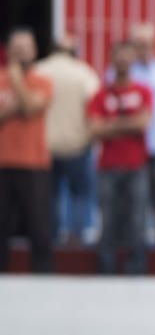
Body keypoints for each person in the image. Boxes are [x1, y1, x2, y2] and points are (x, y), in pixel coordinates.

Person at [87, 41, 152, 275]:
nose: (123, 61)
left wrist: (111, 125)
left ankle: (136, 267)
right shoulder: (100, 95)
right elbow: (94, 130)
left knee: (137, 217)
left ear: (133, 60)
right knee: (108, 218)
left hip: (137, 164)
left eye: (127, 57)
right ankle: (106, 267)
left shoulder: (143, 91)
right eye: (119, 57)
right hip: (108, 165)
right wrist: (128, 124)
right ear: (111, 60)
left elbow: (144, 123)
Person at [36, 34, 100, 246]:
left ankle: (51, 237)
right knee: (80, 195)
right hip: (77, 144)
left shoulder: (39, 71)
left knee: (49, 196)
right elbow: (95, 105)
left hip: (45, 145)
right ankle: (77, 238)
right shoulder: (84, 73)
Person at [0, 28, 54, 272]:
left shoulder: (43, 81)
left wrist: (17, 82)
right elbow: (26, 105)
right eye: (17, 47)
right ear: (9, 50)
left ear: (34, 52)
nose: (21, 52)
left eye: (26, 48)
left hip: (33, 162)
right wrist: (21, 104)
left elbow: (32, 108)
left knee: (39, 226)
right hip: (3, 161)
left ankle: (43, 276)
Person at [128, 23, 155, 245]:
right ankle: (138, 239)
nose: (145, 49)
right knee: (137, 196)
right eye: (141, 44)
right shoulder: (124, 71)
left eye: (149, 44)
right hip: (133, 146)